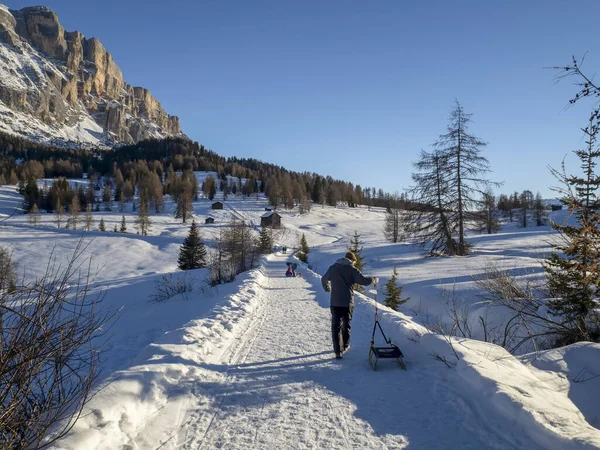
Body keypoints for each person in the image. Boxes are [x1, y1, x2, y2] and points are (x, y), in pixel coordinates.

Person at [321, 251, 378, 359]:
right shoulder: (352, 269)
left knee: (336, 327)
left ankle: (338, 351)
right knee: (346, 325)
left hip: (335, 302)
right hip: (348, 303)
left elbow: (324, 278)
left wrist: (326, 288)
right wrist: (374, 279)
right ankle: (346, 345)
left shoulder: (333, 267)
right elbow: (364, 281)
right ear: (352, 260)